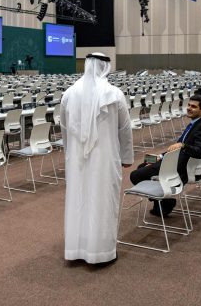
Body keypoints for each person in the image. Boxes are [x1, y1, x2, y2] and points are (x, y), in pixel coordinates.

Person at [61, 53, 133, 264]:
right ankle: (101, 251)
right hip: (106, 157)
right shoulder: (115, 94)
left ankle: (76, 249)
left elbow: (63, 129)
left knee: (79, 200)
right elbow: (125, 129)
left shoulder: (69, 94)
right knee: (102, 200)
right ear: (105, 67)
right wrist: (127, 156)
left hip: (77, 159)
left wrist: (70, 151)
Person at [129, 94, 201, 216]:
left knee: (135, 175)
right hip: (172, 160)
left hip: (177, 167)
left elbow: (199, 151)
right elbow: (176, 147)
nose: (189, 108)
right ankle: (162, 203)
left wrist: (183, 145)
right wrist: (161, 156)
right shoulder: (195, 124)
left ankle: (166, 200)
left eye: (193, 107)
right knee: (144, 163)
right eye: (189, 105)